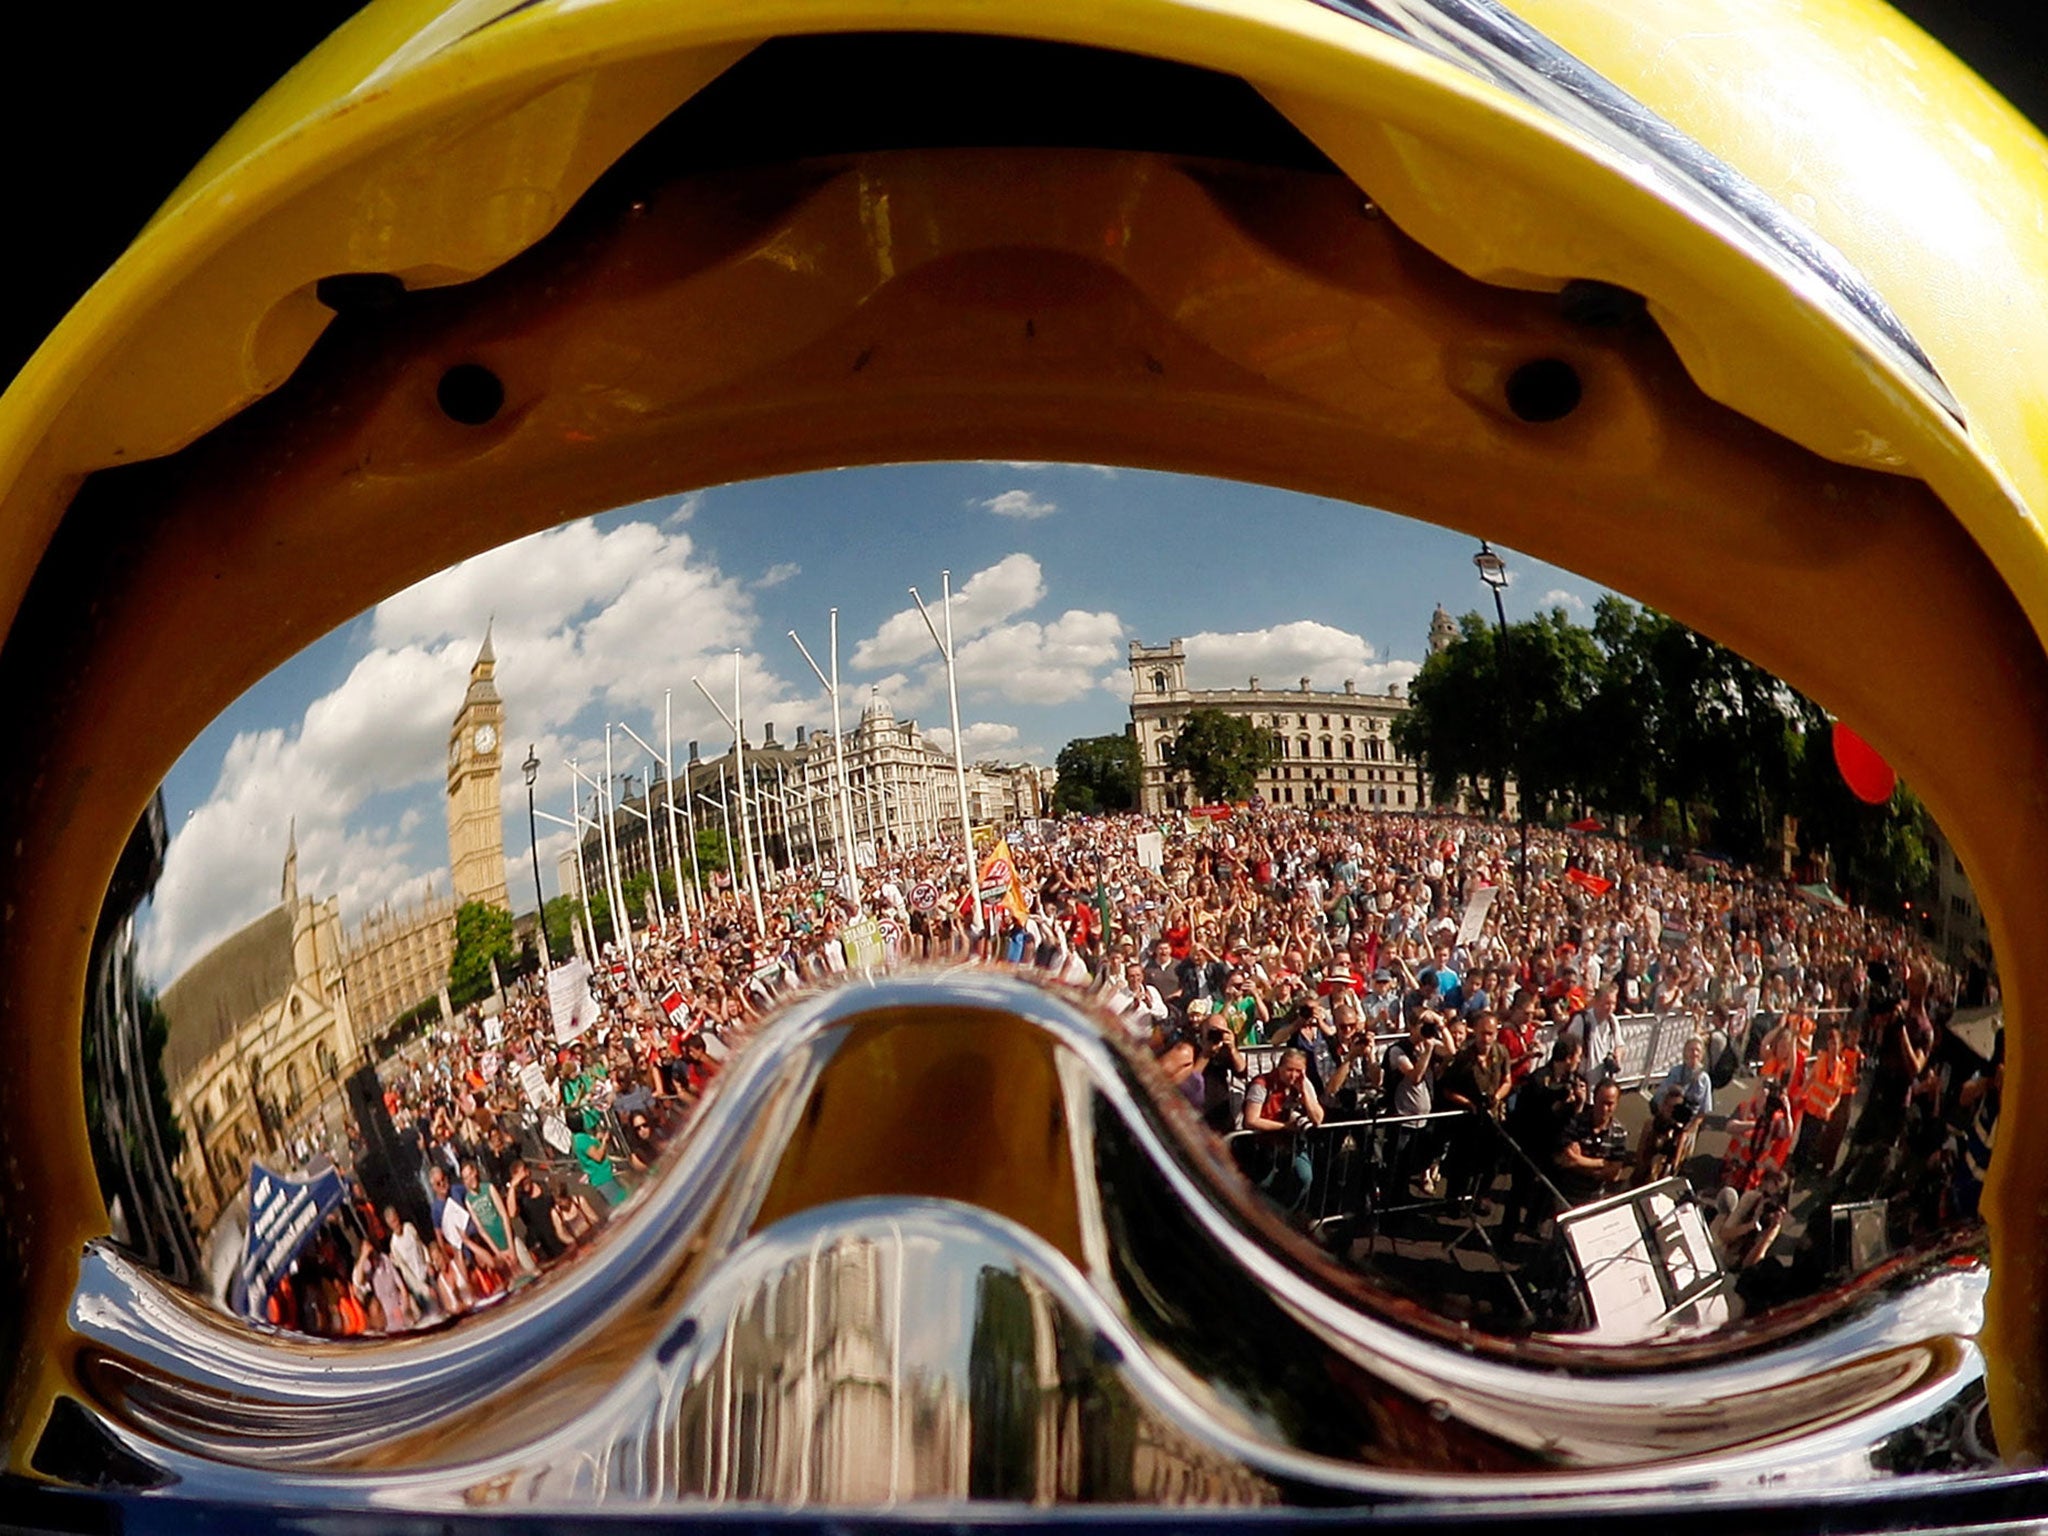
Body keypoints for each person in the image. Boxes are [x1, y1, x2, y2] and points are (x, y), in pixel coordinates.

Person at [1241, 1048, 1323, 1210]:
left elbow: (1318, 1119)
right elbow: (1250, 1120)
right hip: (1264, 1146)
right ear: (1279, 1068)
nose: (1293, 1075)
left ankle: (1285, 1216)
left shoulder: (1303, 1084)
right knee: (1264, 1187)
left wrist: (1305, 1094)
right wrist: (1284, 1127)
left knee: (1304, 1177)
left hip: (1291, 1145)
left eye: (1298, 1071)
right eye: (1289, 1070)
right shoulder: (1261, 1084)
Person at [1552, 1079, 1632, 1206]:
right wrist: (1601, 1164)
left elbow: (1613, 1174)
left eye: (1610, 1104)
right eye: (1601, 1103)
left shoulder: (1619, 1133)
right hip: (1566, 1196)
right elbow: (1565, 1159)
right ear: (1594, 1099)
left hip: (1594, 1200)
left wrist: (1579, 1161)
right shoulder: (1576, 1123)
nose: (1605, 1109)